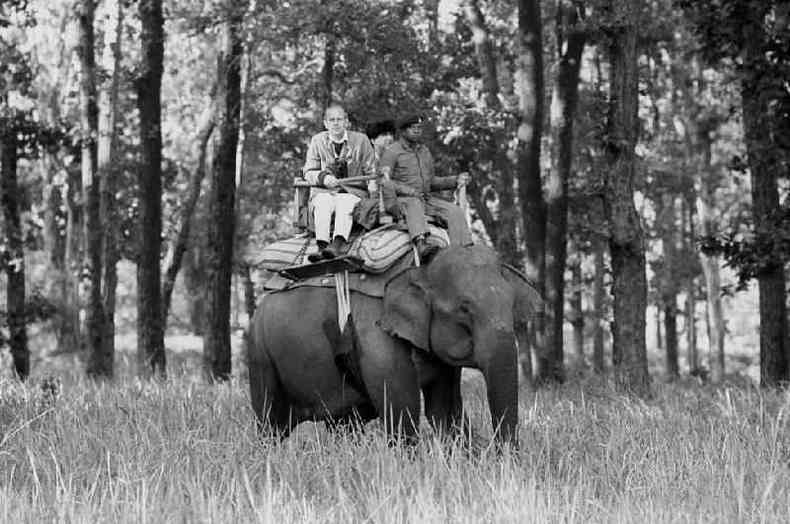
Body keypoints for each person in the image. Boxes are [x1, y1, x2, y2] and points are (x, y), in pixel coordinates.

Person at [378, 114, 472, 259]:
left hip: (426, 200)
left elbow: (432, 182)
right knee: (414, 203)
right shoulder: (392, 152)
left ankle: (464, 250)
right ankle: (421, 243)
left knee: (454, 211)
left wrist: (455, 180)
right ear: (402, 132)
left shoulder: (424, 151)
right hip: (402, 200)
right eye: (412, 128)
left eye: (419, 128)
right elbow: (385, 181)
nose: (416, 131)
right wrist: (409, 191)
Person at [303, 104, 376, 262]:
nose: (336, 123)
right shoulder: (317, 141)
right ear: (325, 123)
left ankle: (336, 245)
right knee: (322, 201)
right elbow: (308, 172)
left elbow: (372, 173)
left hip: (353, 193)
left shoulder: (361, 140)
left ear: (346, 122)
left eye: (339, 119)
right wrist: (323, 178)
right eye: (332, 120)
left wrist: (375, 196)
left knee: (344, 201)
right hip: (325, 192)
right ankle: (322, 247)